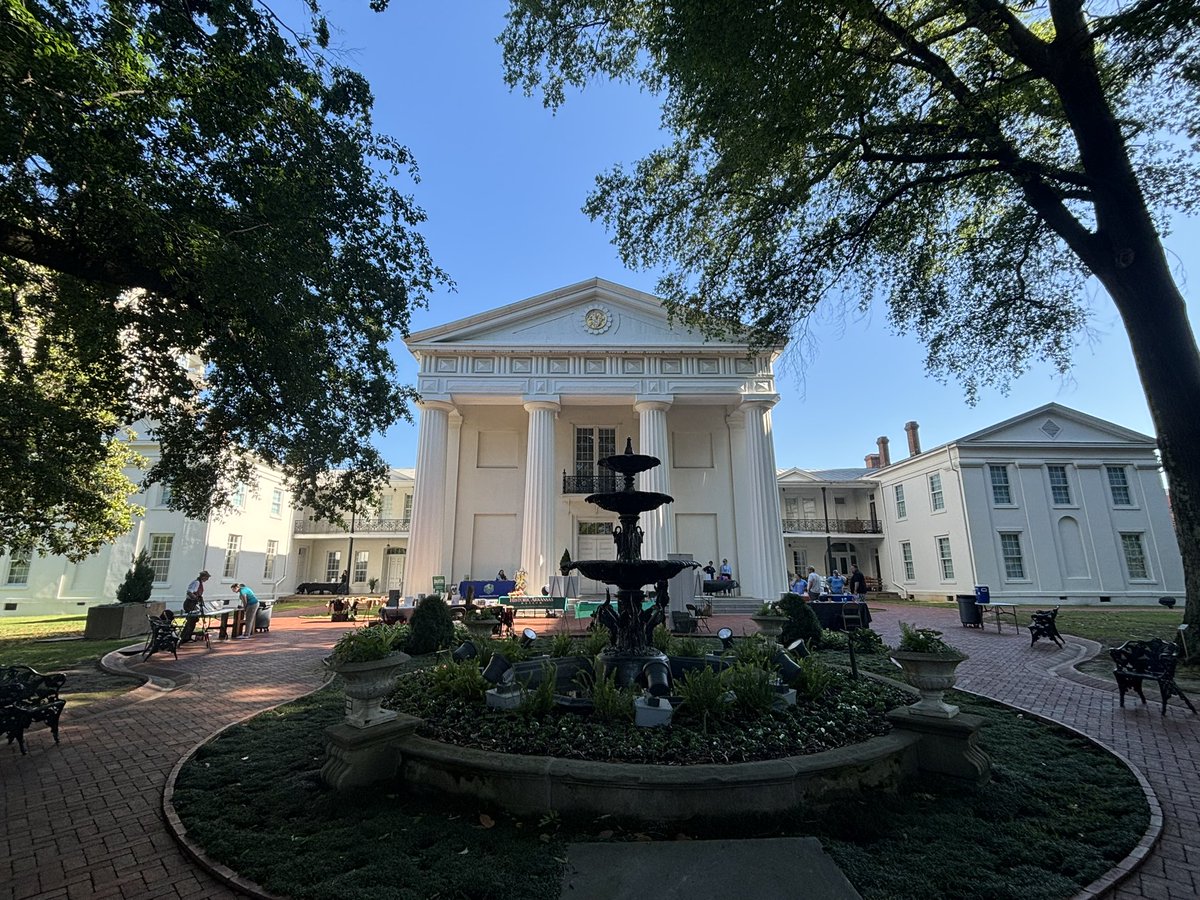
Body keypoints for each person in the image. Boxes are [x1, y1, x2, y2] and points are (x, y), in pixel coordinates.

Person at [180, 570, 210, 643]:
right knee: (191, 620)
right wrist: (196, 598)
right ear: (203, 577)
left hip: (193, 603)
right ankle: (184, 637)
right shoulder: (196, 583)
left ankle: (188, 636)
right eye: (207, 577)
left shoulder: (200, 583)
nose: (207, 579)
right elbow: (189, 592)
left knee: (194, 620)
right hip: (189, 603)